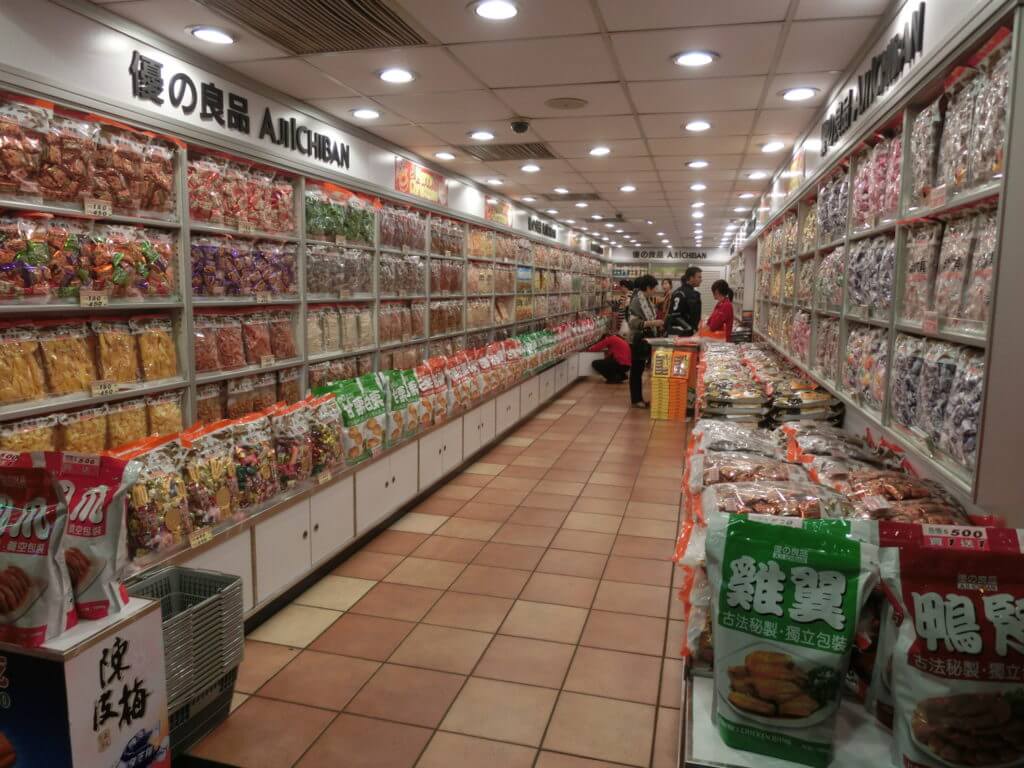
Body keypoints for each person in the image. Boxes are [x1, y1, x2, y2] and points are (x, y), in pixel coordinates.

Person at [627, 274, 663, 407]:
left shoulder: (646, 300)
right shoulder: (637, 301)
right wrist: (653, 323)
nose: (655, 291)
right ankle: (636, 400)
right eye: (654, 288)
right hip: (637, 340)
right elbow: (633, 323)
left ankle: (639, 398)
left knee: (639, 369)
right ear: (647, 287)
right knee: (636, 371)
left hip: (644, 339)